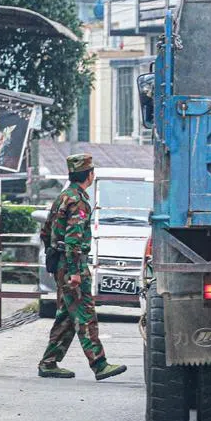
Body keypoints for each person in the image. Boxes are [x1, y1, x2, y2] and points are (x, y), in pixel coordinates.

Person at [37, 153, 127, 381]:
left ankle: (49, 363)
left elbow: (45, 231)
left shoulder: (62, 197)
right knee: (85, 314)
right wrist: (75, 270)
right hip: (72, 266)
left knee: (67, 316)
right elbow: (73, 238)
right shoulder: (78, 200)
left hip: (61, 263)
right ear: (89, 174)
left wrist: (55, 259)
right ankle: (100, 364)